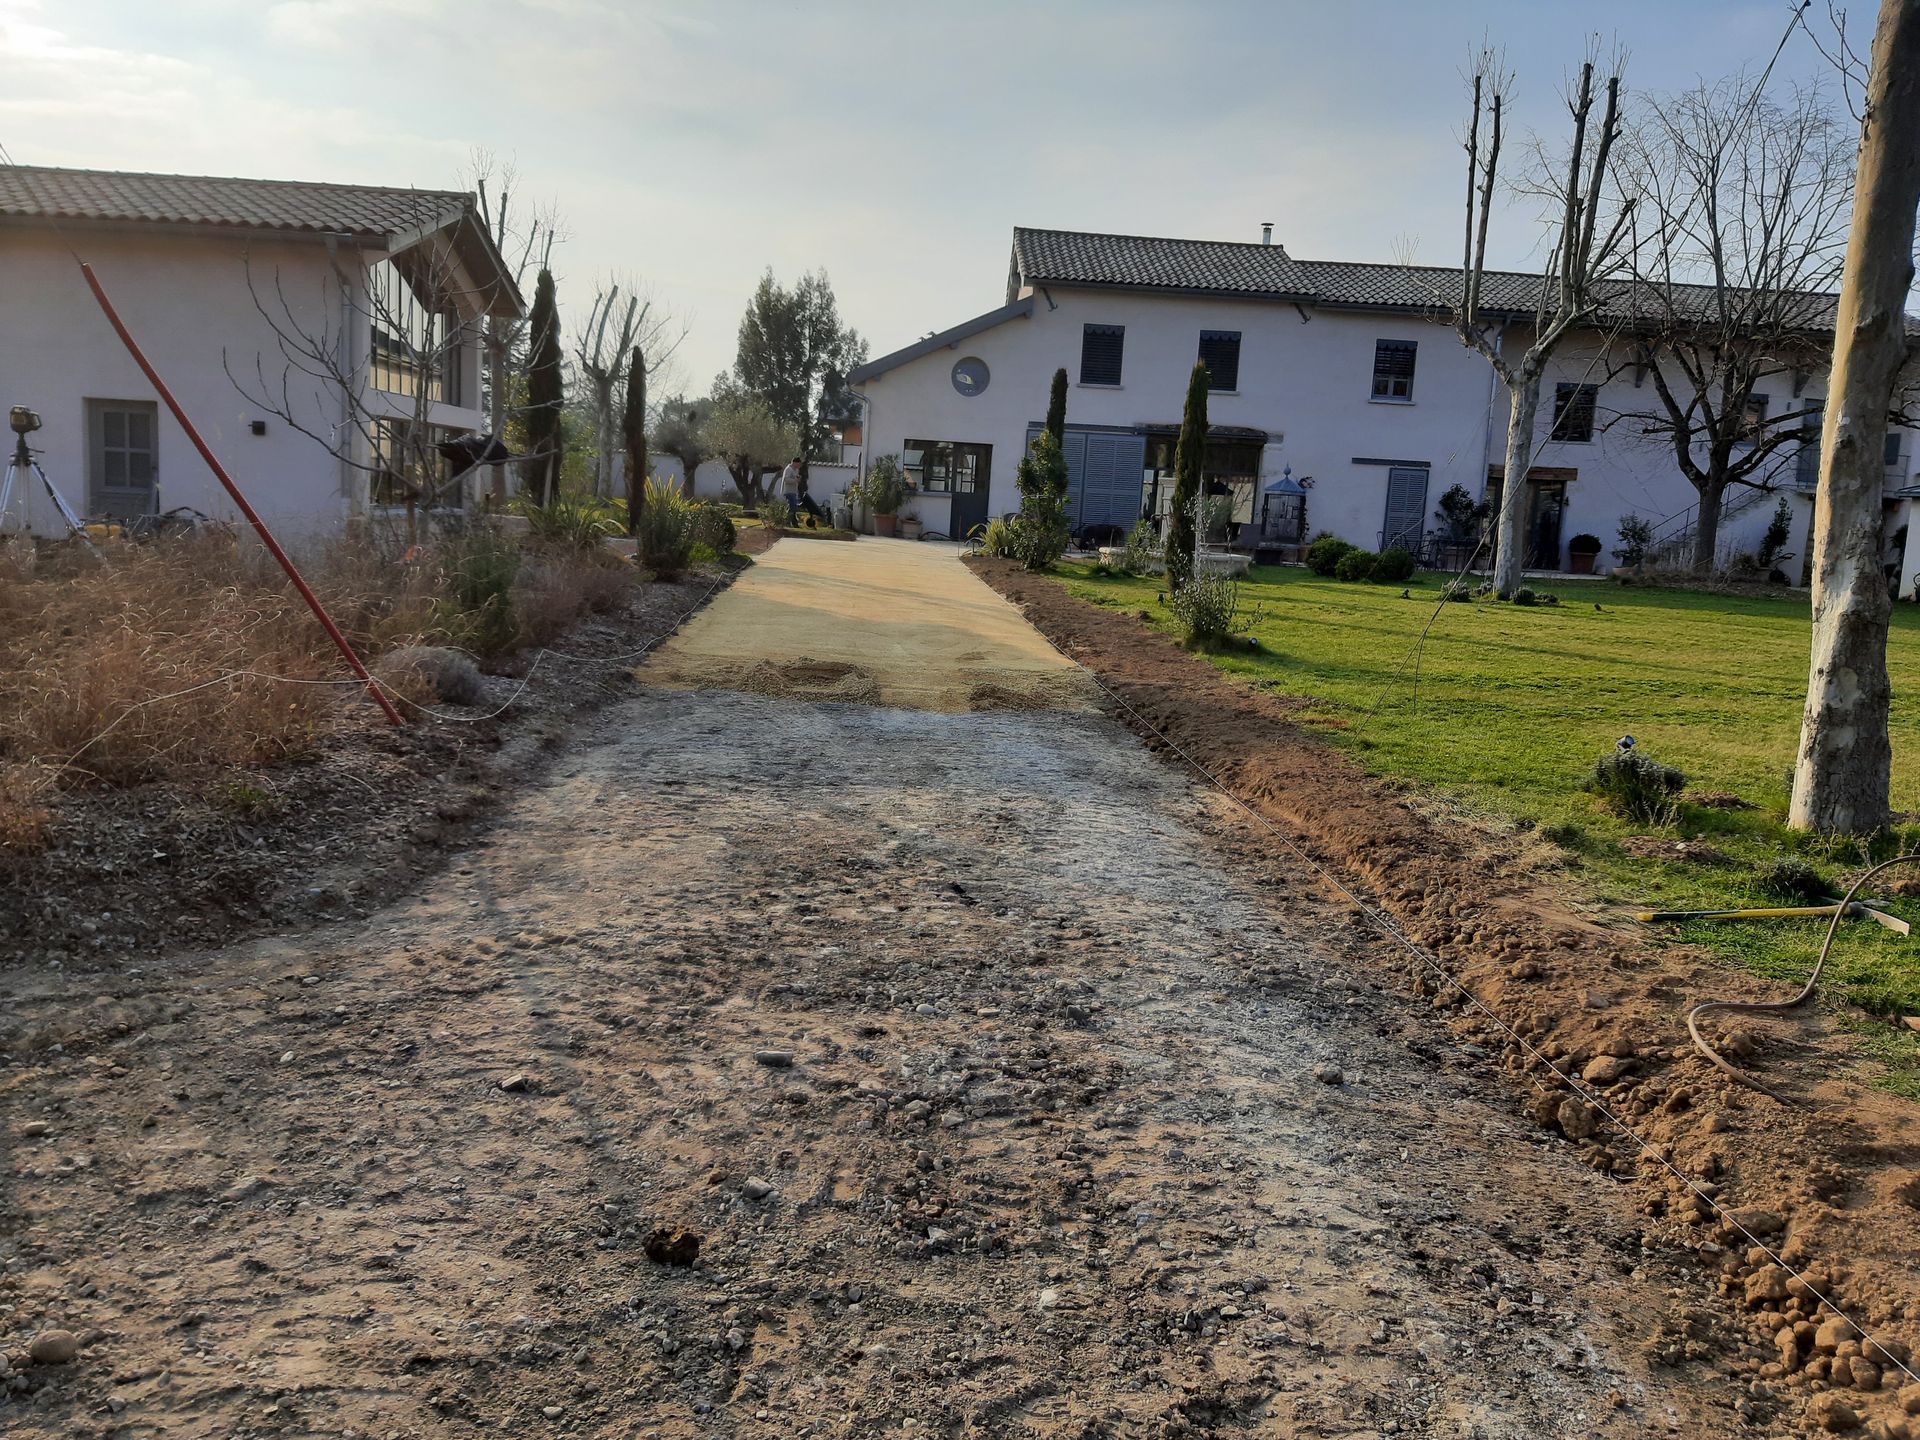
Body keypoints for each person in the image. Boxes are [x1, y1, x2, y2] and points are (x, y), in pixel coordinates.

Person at [779, 456, 802, 525]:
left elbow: (795, 478)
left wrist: (798, 479)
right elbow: (786, 479)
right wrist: (795, 480)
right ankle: (789, 521)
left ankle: (789, 521)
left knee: (793, 507)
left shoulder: (796, 470)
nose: (799, 466)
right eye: (798, 464)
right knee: (792, 507)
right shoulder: (788, 469)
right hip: (788, 491)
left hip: (793, 491)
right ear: (795, 462)